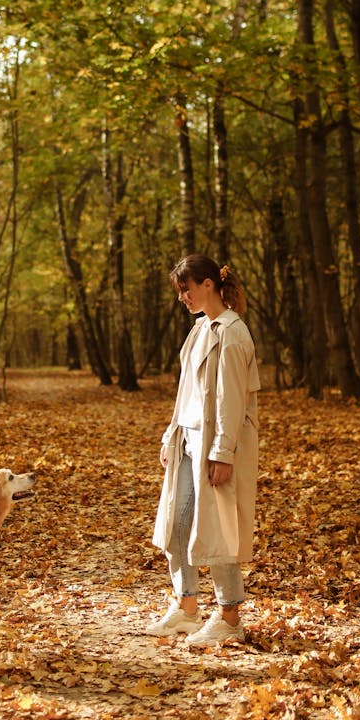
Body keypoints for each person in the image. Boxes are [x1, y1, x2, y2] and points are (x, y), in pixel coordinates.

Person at [147, 255, 260, 645]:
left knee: (217, 530)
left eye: (187, 288)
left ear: (209, 284)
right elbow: (187, 392)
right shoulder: (199, 330)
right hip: (187, 440)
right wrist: (170, 434)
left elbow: (231, 400)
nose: (182, 296)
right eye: (180, 290)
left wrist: (223, 452)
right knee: (176, 526)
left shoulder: (232, 332)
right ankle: (187, 608)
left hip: (216, 445)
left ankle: (229, 617)